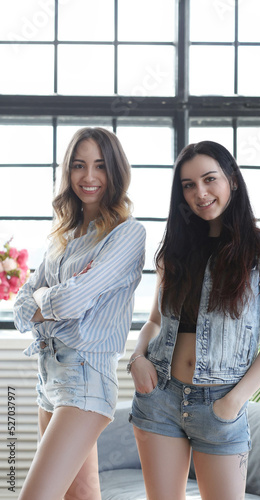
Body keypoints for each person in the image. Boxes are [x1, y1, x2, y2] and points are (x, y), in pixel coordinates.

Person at [128, 140, 260, 500]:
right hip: (160, 397)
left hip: (220, 406)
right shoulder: (174, 248)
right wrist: (137, 358)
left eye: (209, 179)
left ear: (232, 179)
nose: (200, 192)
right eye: (188, 185)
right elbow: (154, 321)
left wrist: (232, 403)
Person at [13, 127, 146, 500]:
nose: (89, 177)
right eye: (79, 165)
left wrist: (44, 296)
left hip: (85, 380)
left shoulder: (127, 233)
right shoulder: (64, 235)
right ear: (68, 172)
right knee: (81, 497)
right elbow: (21, 305)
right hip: (49, 379)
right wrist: (46, 297)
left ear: (115, 172)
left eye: (100, 166)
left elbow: (70, 302)